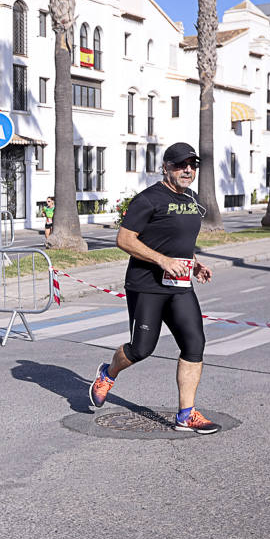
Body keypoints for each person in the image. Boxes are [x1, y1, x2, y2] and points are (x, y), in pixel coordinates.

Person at [88, 142, 219, 434]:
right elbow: (124, 239)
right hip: (146, 285)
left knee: (194, 345)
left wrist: (195, 263)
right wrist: (162, 261)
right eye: (180, 164)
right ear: (166, 168)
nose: (187, 170)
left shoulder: (192, 200)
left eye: (192, 165)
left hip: (180, 286)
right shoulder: (147, 199)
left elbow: (179, 242)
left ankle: (186, 414)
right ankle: (108, 373)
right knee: (141, 349)